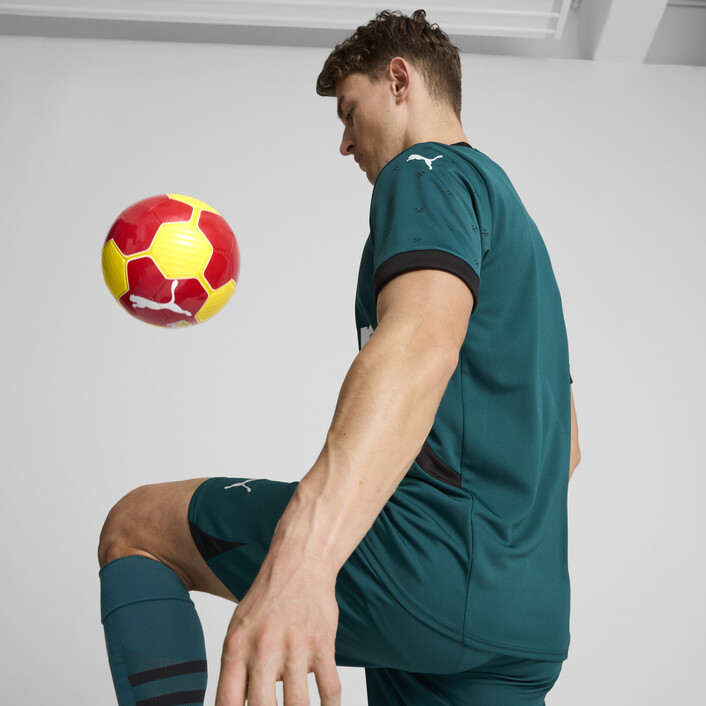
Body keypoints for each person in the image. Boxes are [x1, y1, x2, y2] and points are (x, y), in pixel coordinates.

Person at [98, 9, 581, 706]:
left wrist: (305, 560)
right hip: (529, 617)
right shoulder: (518, 229)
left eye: (350, 112)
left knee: (136, 525)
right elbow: (565, 448)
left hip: (428, 578)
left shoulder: (426, 172)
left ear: (399, 81)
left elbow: (418, 346)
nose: (346, 142)